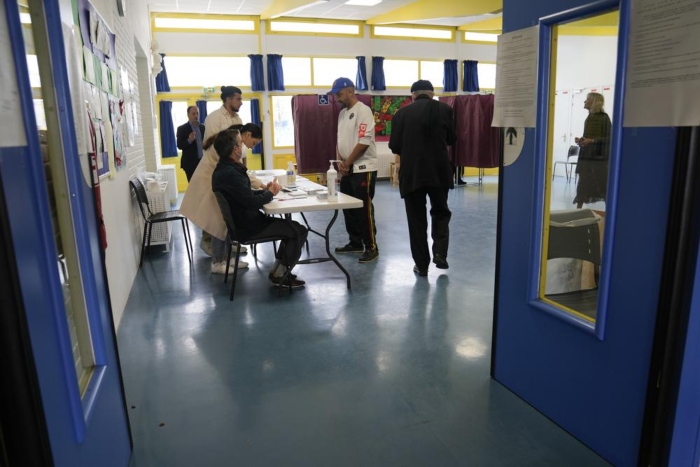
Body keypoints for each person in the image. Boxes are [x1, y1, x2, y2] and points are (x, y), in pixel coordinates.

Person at [211, 128, 308, 288]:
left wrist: (265, 191)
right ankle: (281, 274)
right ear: (235, 149)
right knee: (298, 231)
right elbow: (252, 202)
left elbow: (244, 196)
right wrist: (269, 193)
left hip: (243, 223)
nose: (243, 145)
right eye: (241, 143)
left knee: (293, 229)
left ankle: (278, 271)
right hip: (249, 227)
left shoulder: (224, 169)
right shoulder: (231, 173)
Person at [389, 80, 456, 276]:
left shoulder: (401, 114)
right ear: (432, 93)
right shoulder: (445, 110)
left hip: (412, 173)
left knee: (416, 219)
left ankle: (422, 265)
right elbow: (452, 139)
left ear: (413, 96)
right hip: (439, 171)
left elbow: (394, 146)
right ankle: (440, 254)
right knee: (441, 212)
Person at [180, 123, 262, 274]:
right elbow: (239, 172)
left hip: (214, 181)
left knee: (226, 221)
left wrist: (259, 185)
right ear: (248, 135)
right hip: (208, 183)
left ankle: (228, 257)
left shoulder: (233, 137)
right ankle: (218, 263)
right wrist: (262, 185)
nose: (252, 147)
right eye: (254, 143)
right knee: (219, 223)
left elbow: (239, 171)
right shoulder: (232, 142)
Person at [328, 77, 379, 263]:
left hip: (363, 168)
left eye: (339, 94)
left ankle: (371, 247)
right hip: (347, 168)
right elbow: (339, 140)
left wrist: (347, 163)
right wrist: (340, 161)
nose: (337, 98)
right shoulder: (342, 113)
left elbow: (364, 142)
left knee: (363, 208)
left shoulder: (363, 111)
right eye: (335, 95)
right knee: (348, 208)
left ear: (350, 91)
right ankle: (355, 242)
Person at [573, 92, 612, 209]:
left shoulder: (604, 118)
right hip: (586, 157)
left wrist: (592, 141)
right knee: (583, 185)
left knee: (602, 185)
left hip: (598, 159)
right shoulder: (589, 117)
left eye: (587, 100)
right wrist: (582, 140)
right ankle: (577, 212)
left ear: (594, 102)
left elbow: (610, 138)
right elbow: (590, 137)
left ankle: (609, 213)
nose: (584, 102)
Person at [176, 106, 205, 182]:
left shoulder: (203, 127)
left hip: (203, 163)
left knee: (204, 186)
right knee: (193, 188)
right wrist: (189, 140)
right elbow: (179, 145)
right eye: (193, 114)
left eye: (197, 113)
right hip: (190, 164)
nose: (196, 116)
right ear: (188, 115)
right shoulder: (182, 129)